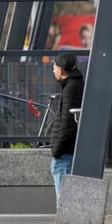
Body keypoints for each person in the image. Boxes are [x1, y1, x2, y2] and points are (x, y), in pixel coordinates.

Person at [50, 51, 84, 201]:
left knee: (64, 200)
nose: (53, 70)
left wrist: (57, 150)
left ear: (62, 70)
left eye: (54, 67)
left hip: (64, 153)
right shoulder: (73, 85)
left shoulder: (71, 88)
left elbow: (68, 123)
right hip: (66, 151)